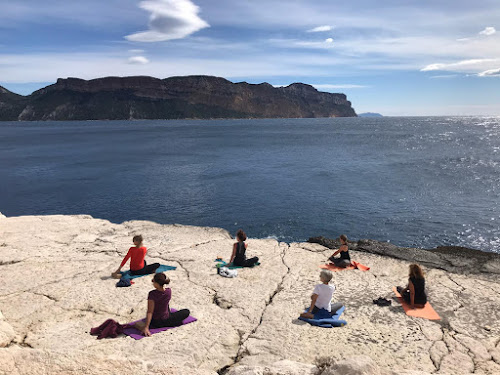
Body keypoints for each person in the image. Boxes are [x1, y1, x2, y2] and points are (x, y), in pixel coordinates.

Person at [134, 272, 191, 336]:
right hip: (164, 319)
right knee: (186, 312)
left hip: (154, 321)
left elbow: (150, 311)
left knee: (165, 306)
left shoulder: (152, 294)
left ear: (157, 283)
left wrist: (146, 327)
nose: (153, 283)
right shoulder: (169, 291)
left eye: (153, 282)